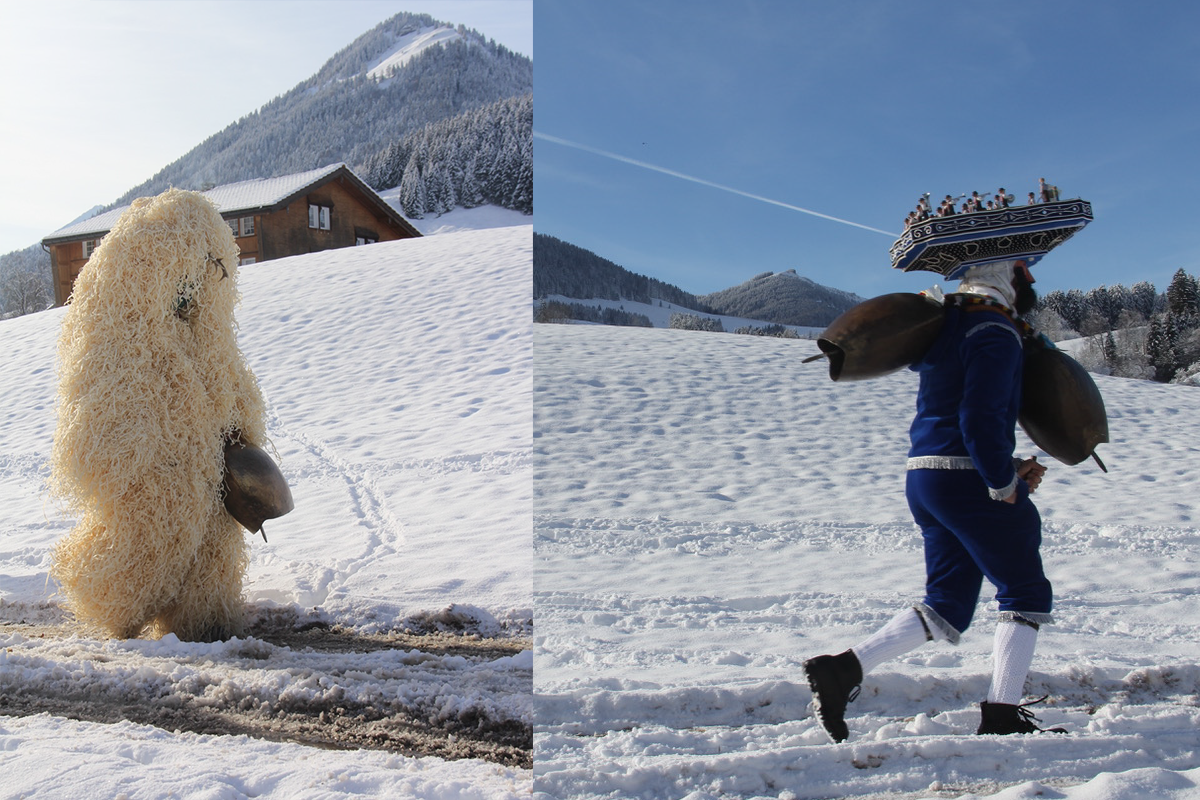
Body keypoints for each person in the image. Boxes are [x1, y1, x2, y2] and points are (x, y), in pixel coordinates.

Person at [804, 258, 1062, 742]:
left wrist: (1004, 468)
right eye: (1026, 271)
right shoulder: (995, 330)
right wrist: (1003, 483)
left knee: (948, 603)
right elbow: (980, 416)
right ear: (1010, 277)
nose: (1031, 281)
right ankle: (1003, 716)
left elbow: (958, 413)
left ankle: (842, 670)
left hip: (926, 478)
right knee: (1025, 591)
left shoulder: (948, 331)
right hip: (967, 476)